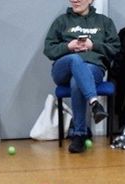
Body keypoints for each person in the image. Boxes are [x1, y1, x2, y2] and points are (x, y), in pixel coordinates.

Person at [44, 0, 120, 154]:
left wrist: (94, 46)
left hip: (94, 68)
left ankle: (79, 135)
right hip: (63, 68)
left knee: (76, 81)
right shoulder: (61, 21)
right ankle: (94, 102)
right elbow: (49, 50)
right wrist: (68, 47)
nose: (76, 0)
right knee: (75, 59)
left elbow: (115, 49)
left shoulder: (104, 22)